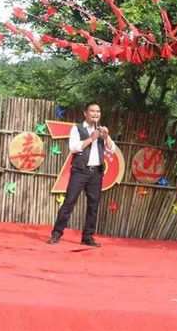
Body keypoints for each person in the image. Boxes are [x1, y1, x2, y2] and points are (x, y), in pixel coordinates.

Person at [48, 102, 115, 247]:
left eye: (98, 111)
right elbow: (74, 148)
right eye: (92, 111)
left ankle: (87, 237)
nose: (96, 113)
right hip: (80, 171)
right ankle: (56, 234)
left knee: (93, 205)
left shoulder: (102, 130)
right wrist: (91, 138)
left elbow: (111, 149)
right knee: (69, 201)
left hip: (96, 172)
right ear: (85, 113)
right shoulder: (77, 128)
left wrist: (106, 136)